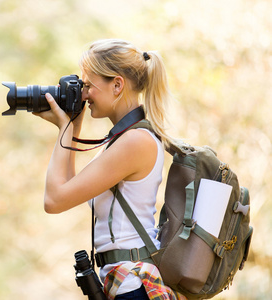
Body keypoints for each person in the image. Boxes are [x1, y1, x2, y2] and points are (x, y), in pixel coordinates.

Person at [33, 39, 181, 300]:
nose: (84, 94)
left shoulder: (135, 142)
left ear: (117, 85)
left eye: (88, 85)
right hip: (125, 286)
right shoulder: (122, 139)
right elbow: (66, 189)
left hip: (134, 287)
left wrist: (63, 129)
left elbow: (54, 200)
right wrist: (71, 128)